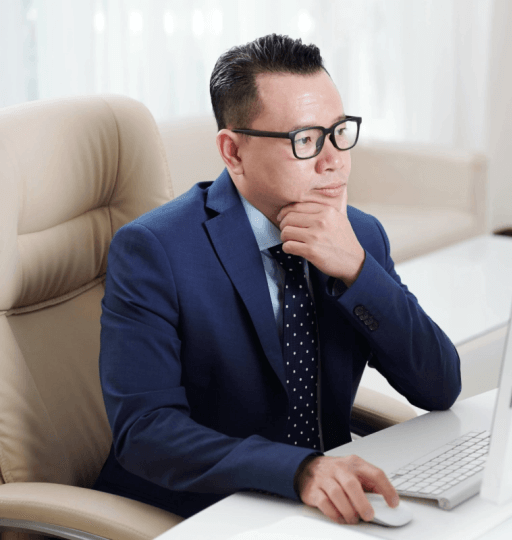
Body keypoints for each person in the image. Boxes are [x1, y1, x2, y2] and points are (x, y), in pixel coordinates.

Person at [93, 34, 461, 524]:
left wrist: (357, 270)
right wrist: (300, 470)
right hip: (194, 513)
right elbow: (145, 433)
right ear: (234, 151)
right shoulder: (155, 250)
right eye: (305, 140)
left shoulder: (359, 235)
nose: (334, 160)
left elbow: (439, 386)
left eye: (339, 132)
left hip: (318, 514)